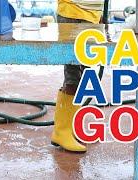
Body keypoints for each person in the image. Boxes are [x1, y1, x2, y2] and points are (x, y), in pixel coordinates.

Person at [51, 0, 104, 152]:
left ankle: (67, 129)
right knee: (73, 73)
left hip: (92, 16)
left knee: (85, 70)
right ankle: (62, 133)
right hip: (71, 12)